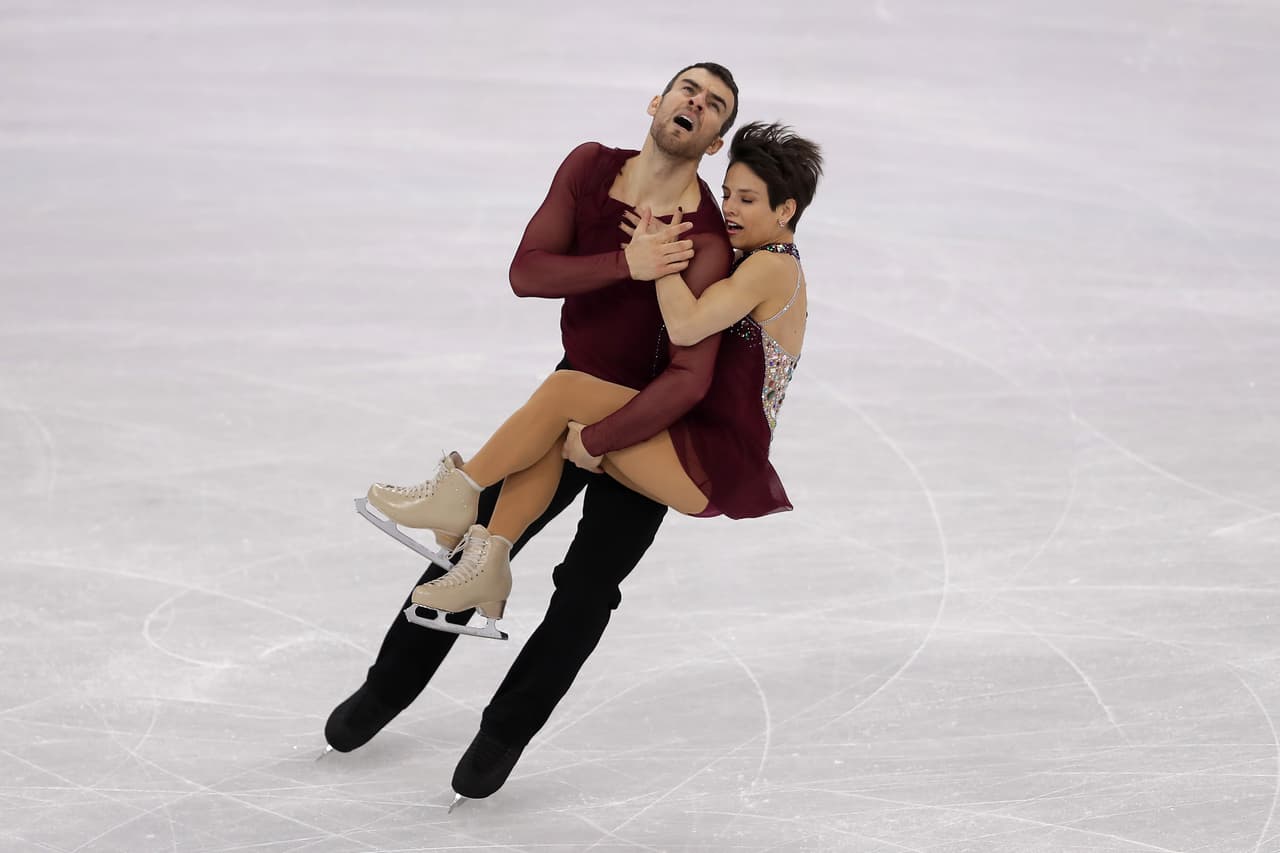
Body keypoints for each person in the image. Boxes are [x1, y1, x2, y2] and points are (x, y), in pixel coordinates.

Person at [325, 62, 740, 803]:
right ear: (657, 101)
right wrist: (627, 263)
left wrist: (607, 433)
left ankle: (503, 734)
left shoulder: (707, 241)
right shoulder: (588, 167)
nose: (696, 105)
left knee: (586, 589)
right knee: (478, 542)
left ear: (714, 144)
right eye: (689, 90)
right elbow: (526, 271)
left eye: (715, 107)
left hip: (650, 423)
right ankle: (384, 689)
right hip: (568, 390)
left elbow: (688, 376)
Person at [371, 121, 824, 629]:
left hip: (711, 459)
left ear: (786, 210)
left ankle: (461, 494)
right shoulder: (749, 259)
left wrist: (660, 260)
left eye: (747, 199)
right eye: (726, 194)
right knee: (553, 429)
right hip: (689, 440)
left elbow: (686, 323)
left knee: (565, 391)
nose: (730, 209)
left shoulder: (774, 267)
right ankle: (488, 561)